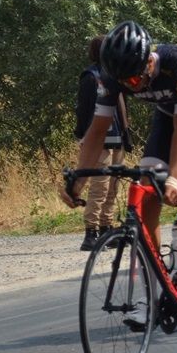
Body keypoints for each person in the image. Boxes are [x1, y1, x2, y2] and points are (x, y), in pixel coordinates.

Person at [60, 20, 177, 304]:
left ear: (149, 63)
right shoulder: (112, 75)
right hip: (167, 117)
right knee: (146, 191)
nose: (132, 85)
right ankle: (154, 289)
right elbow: (97, 130)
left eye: (135, 79)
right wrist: (79, 180)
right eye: (125, 82)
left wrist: (175, 179)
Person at [74, 35, 131, 250]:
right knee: (99, 186)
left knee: (113, 187)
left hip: (117, 138)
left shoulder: (116, 75)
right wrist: (82, 136)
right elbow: (84, 109)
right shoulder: (90, 77)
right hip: (100, 141)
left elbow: (123, 107)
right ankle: (91, 232)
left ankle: (107, 227)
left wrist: (127, 135)